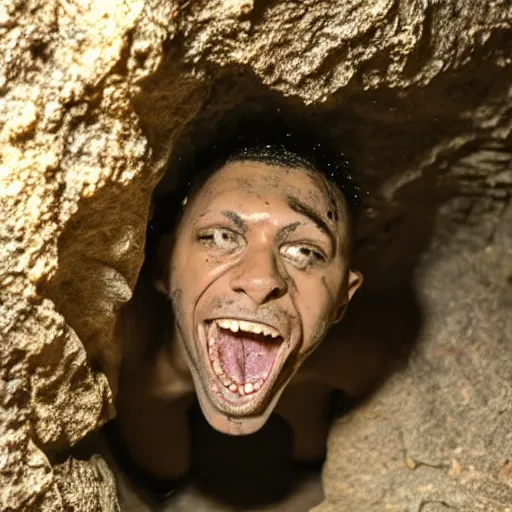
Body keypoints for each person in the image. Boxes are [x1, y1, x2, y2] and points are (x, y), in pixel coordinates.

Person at [107, 117, 364, 504]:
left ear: (345, 296)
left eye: (304, 251)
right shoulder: (119, 347)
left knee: (310, 429)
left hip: (310, 388)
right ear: (162, 264)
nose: (260, 280)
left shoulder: (360, 359)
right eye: (222, 237)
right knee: (161, 468)